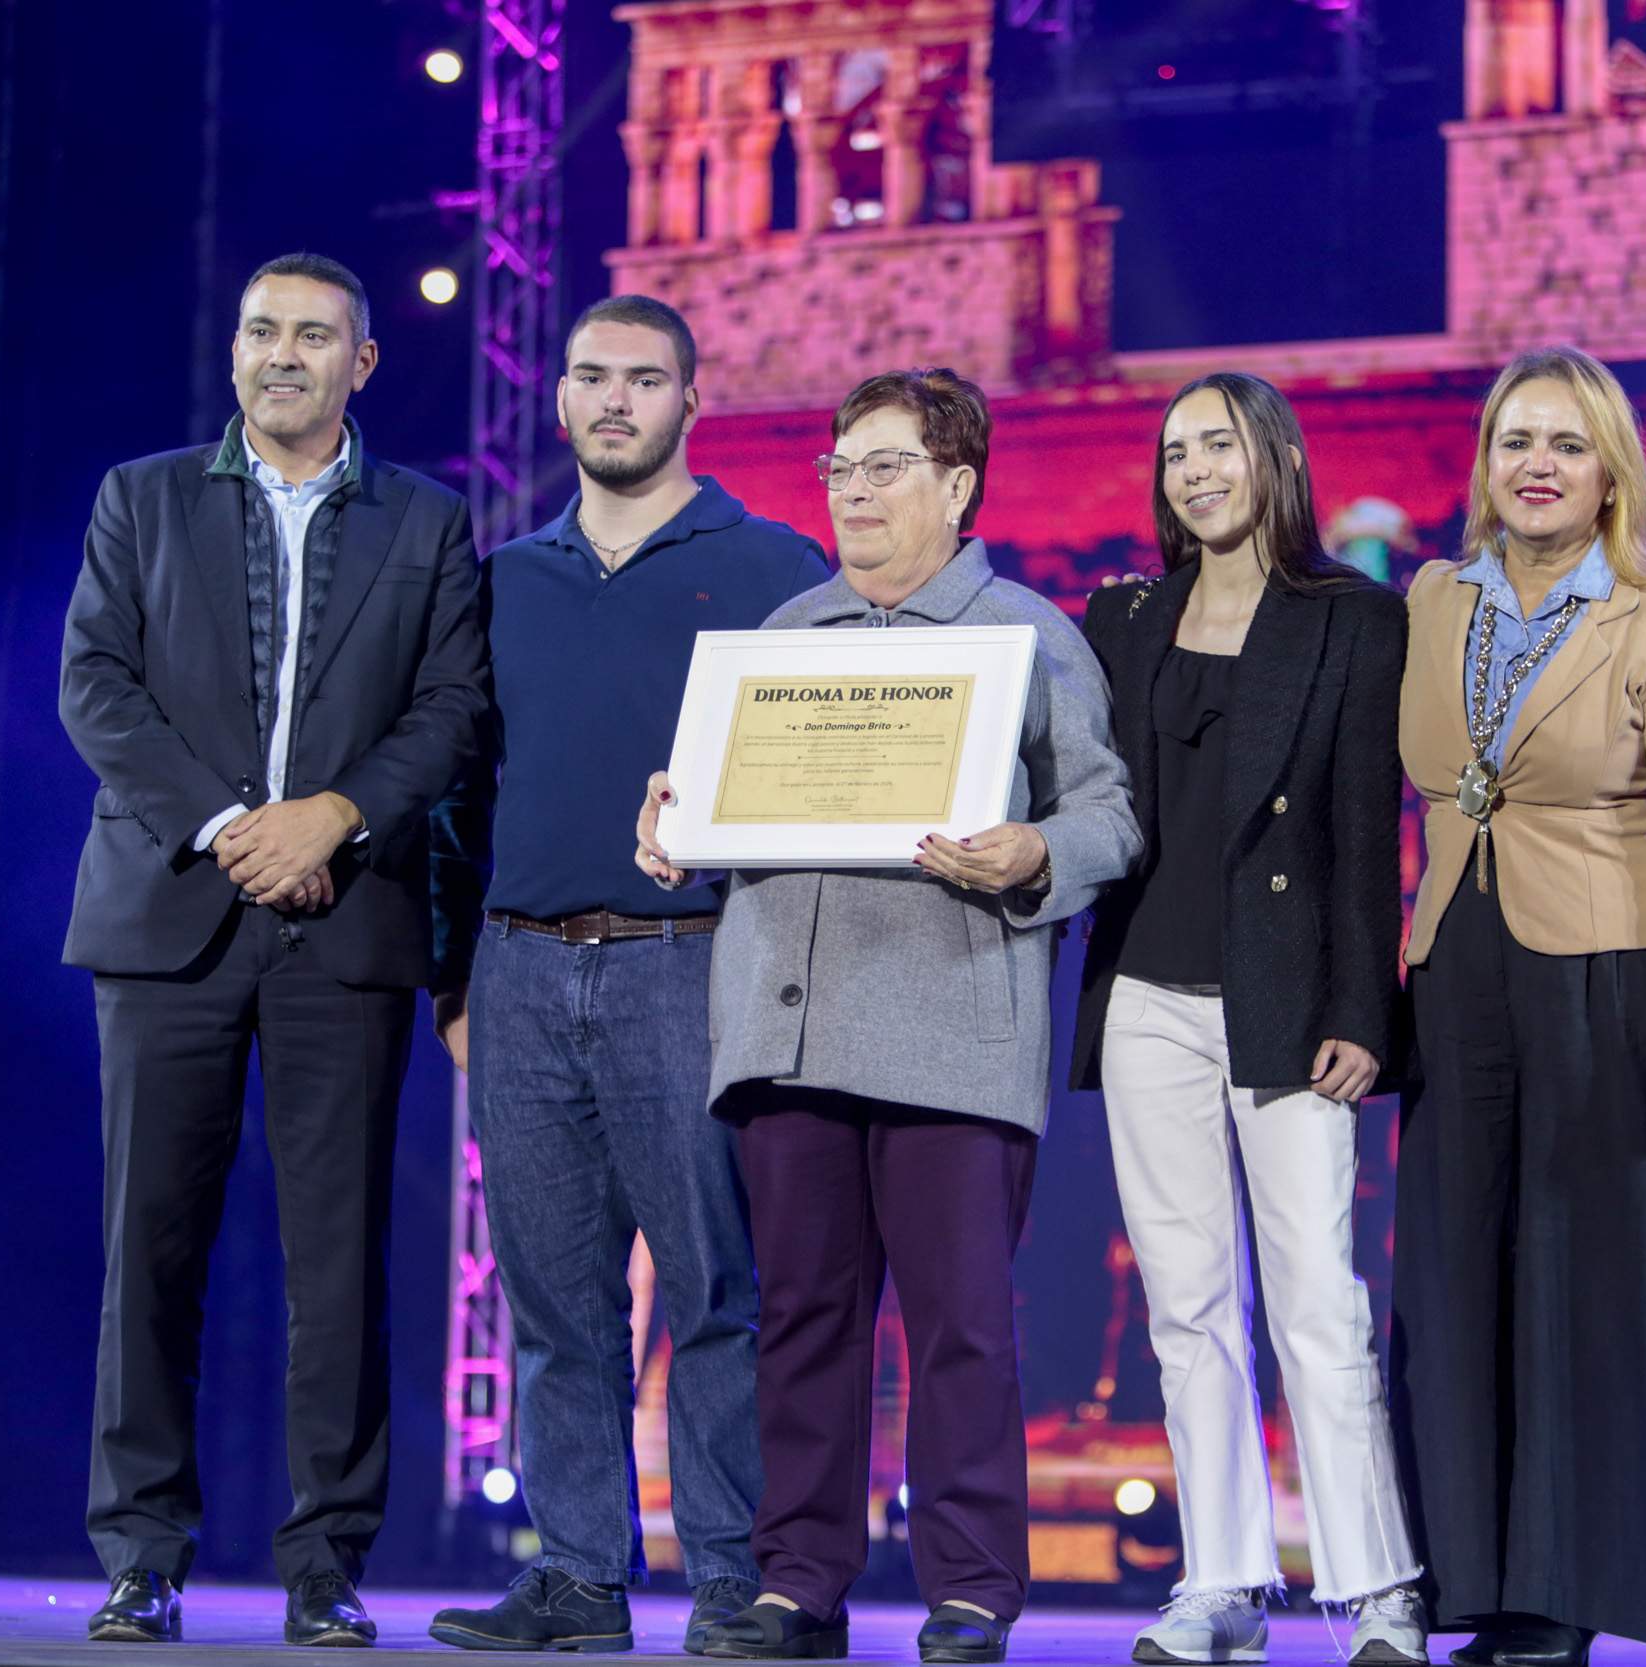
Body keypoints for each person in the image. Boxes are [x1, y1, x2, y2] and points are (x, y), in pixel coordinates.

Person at [636, 368, 1141, 1665]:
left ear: (958, 484)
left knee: (960, 1322)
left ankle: (970, 1591)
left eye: (884, 468)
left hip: (948, 1029)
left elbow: (1108, 814)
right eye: (839, 471)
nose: (853, 493)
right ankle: (798, 1583)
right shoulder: (782, 640)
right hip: (789, 1028)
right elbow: (715, 812)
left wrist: (1036, 849)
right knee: (803, 1316)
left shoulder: (1029, 636)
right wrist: (673, 825)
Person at [60, 253, 487, 1647]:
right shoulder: (142, 497)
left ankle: (327, 1564)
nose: (283, 354)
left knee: (339, 1257)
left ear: (364, 362)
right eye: (262, 331)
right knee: (151, 1247)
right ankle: (141, 1553)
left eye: (315, 335)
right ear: (235, 351)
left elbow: (451, 711)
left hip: (346, 921)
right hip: (170, 914)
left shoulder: (429, 523)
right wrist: (237, 825)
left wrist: (338, 818)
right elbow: (98, 689)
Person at [423, 297, 831, 1655]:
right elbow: (457, 789)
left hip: (693, 966)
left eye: (644, 379)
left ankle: (729, 1581)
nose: (615, 400)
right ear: (557, 400)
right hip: (522, 972)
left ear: (688, 402)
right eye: (591, 377)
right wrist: (456, 984)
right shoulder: (500, 582)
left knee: (717, 1289)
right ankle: (582, 1579)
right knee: (552, 1297)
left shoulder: (772, 564)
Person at [1389, 346, 1646, 1667]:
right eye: (1516, 441)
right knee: (1457, 1277)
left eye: (1567, 447)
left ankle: (1561, 1598)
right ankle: (1470, 1585)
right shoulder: (1430, 600)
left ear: (1609, 478)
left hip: (1605, 977)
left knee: (1575, 1286)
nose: (1537, 466)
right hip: (1457, 972)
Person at [1073, 374, 1427, 1665]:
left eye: (1216, 445)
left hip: (1288, 1004)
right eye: (1175, 451)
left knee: (1317, 1303)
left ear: (1272, 455)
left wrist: (1361, 1010)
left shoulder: (1352, 618)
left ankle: (1376, 1586)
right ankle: (1221, 1582)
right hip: (1148, 996)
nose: (1193, 471)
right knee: (1185, 1303)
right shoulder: (1125, 615)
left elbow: (1360, 830)